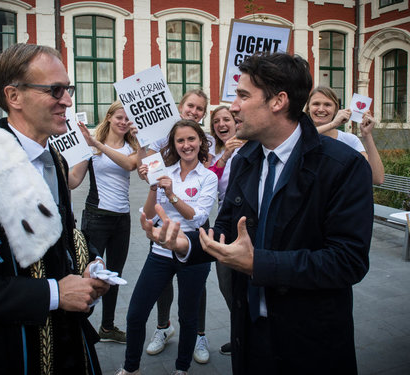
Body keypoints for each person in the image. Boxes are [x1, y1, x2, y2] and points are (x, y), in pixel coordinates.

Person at [141, 53, 373, 375]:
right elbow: (225, 228)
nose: (233, 107)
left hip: (310, 343)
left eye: (243, 95)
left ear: (278, 101)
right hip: (248, 335)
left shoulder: (343, 166)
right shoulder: (246, 158)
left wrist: (257, 264)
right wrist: (185, 245)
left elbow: (348, 261)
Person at [0, 43, 110, 374]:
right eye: (56, 90)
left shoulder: (53, 158)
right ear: (14, 96)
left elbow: (63, 234)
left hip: (66, 344)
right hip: (10, 352)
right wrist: (54, 293)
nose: (68, 101)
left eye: (68, 89)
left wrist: (91, 264)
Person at [117, 119, 218, 375]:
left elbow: (197, 217)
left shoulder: (208, 177)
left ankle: (181, 368)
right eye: (180, 140)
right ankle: (131, 368)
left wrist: (172, 194)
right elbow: (150, 214)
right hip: (161, 252)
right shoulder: (165, 171)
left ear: (201, 142)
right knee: (136, 313)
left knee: (188, 316)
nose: (186, 145)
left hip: (194, 253)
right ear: (174, 144)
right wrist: (153, 186)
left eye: (191, 139)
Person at [140, 89, 215, 363]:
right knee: (162, 277)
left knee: (196, 282)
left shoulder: (204, 141)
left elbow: (201, 168)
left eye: (200, 109)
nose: (194, 111)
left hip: (194, 218)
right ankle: (163, 328)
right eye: (191, 106)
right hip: (165, 218)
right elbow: (148, 166)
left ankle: (199, 334)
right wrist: (146, 170)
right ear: (180, 106)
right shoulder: (162, 136)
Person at [68, 101, 140, 344]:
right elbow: (73, 180)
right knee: (88, 274)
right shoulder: (90, 148)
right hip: (96, 217)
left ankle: (107, 327)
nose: (123, 122)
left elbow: (130, 165)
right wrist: (53, 162)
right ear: (109, 117)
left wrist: (95, 144)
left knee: (114, 275)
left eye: (127, 119)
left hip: (122, 219)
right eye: (119, 117)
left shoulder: (132, 147)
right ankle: (76, 326)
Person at [208, 105, 244, 356]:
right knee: (226, 284)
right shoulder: (214, 151)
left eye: (226, 119)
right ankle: (241, 331)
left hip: (247, 223)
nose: (222, 124)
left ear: (236, 121)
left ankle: (247, 335)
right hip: (223, 223)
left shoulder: (250, 143)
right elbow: (208, 180)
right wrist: (223, 157)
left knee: (248, 283)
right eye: (217, 121)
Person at [305, 86, 385, 185]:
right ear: (308, 108)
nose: (321, 109)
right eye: (316, 104)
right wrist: (333, 124)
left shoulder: (350, 140)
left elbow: (377, 179)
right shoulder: (296, 134)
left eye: (327, 105)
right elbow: (303, 137)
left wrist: (367, 135)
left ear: (336, 110)